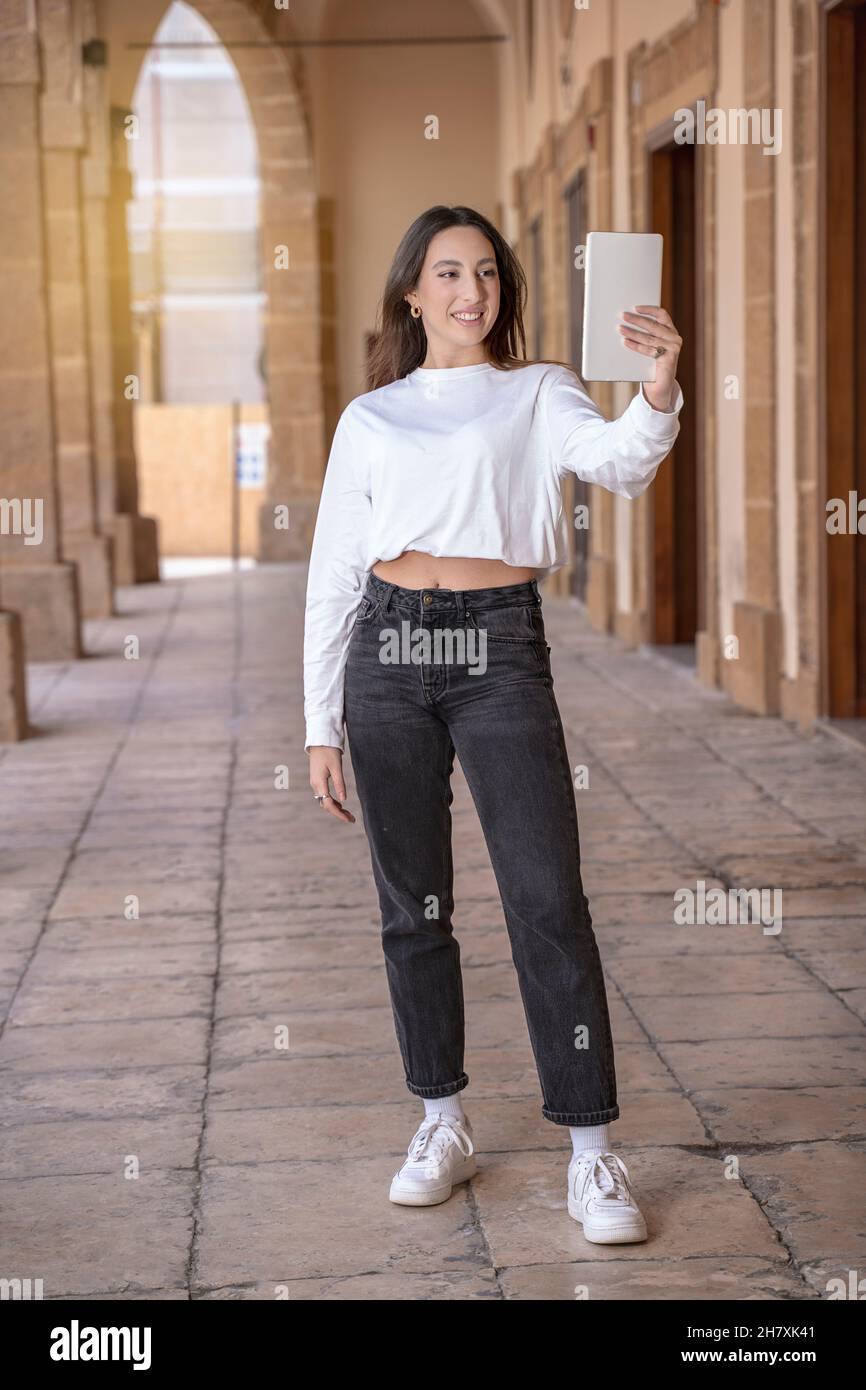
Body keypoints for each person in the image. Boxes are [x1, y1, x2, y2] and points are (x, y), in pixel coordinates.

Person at [303, 205, 683, 1244]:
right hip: (386, 652)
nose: (470, 291)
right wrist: (317, 724)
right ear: (411, 294)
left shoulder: (537, 389)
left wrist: (655, 387)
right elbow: (335, 571)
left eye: (485, 273)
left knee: (544, 896)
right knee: (409, 906)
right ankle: (439, 1121)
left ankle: (591, 1154)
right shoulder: (369, 417)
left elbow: (617, 460)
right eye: (447, 273)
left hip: (494, 648)